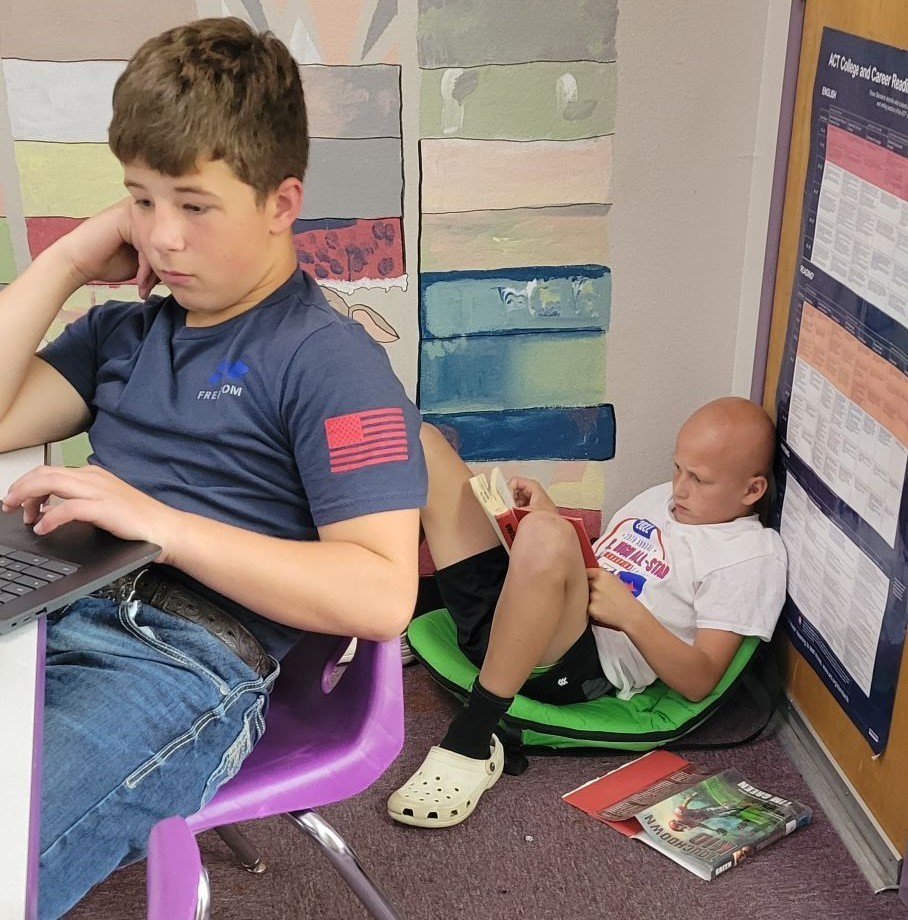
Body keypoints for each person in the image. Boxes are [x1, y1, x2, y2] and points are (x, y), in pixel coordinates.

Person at [0, 18, 426, 918]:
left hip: (180, 660)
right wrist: (71, 259)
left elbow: (384, 593)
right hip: (55, 604)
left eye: (194, 205)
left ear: (281, 202)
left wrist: (161, 524)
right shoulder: (123, 333)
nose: (162, 240)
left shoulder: (330, 361)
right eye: (140, 201)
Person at [388, 397, 786, 828]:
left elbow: (700, 681)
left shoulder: (747, 555)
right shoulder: (661, 501)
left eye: (700, 480)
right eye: (677, 469)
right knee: (420, 441)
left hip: (580, 664)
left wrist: (630, 616)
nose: (679, 488)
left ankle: (472, 740)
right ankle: (378, 616)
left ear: (752, 490)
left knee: (544, 534)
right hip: (530, 614)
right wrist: (547, 519)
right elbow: (592, 566)